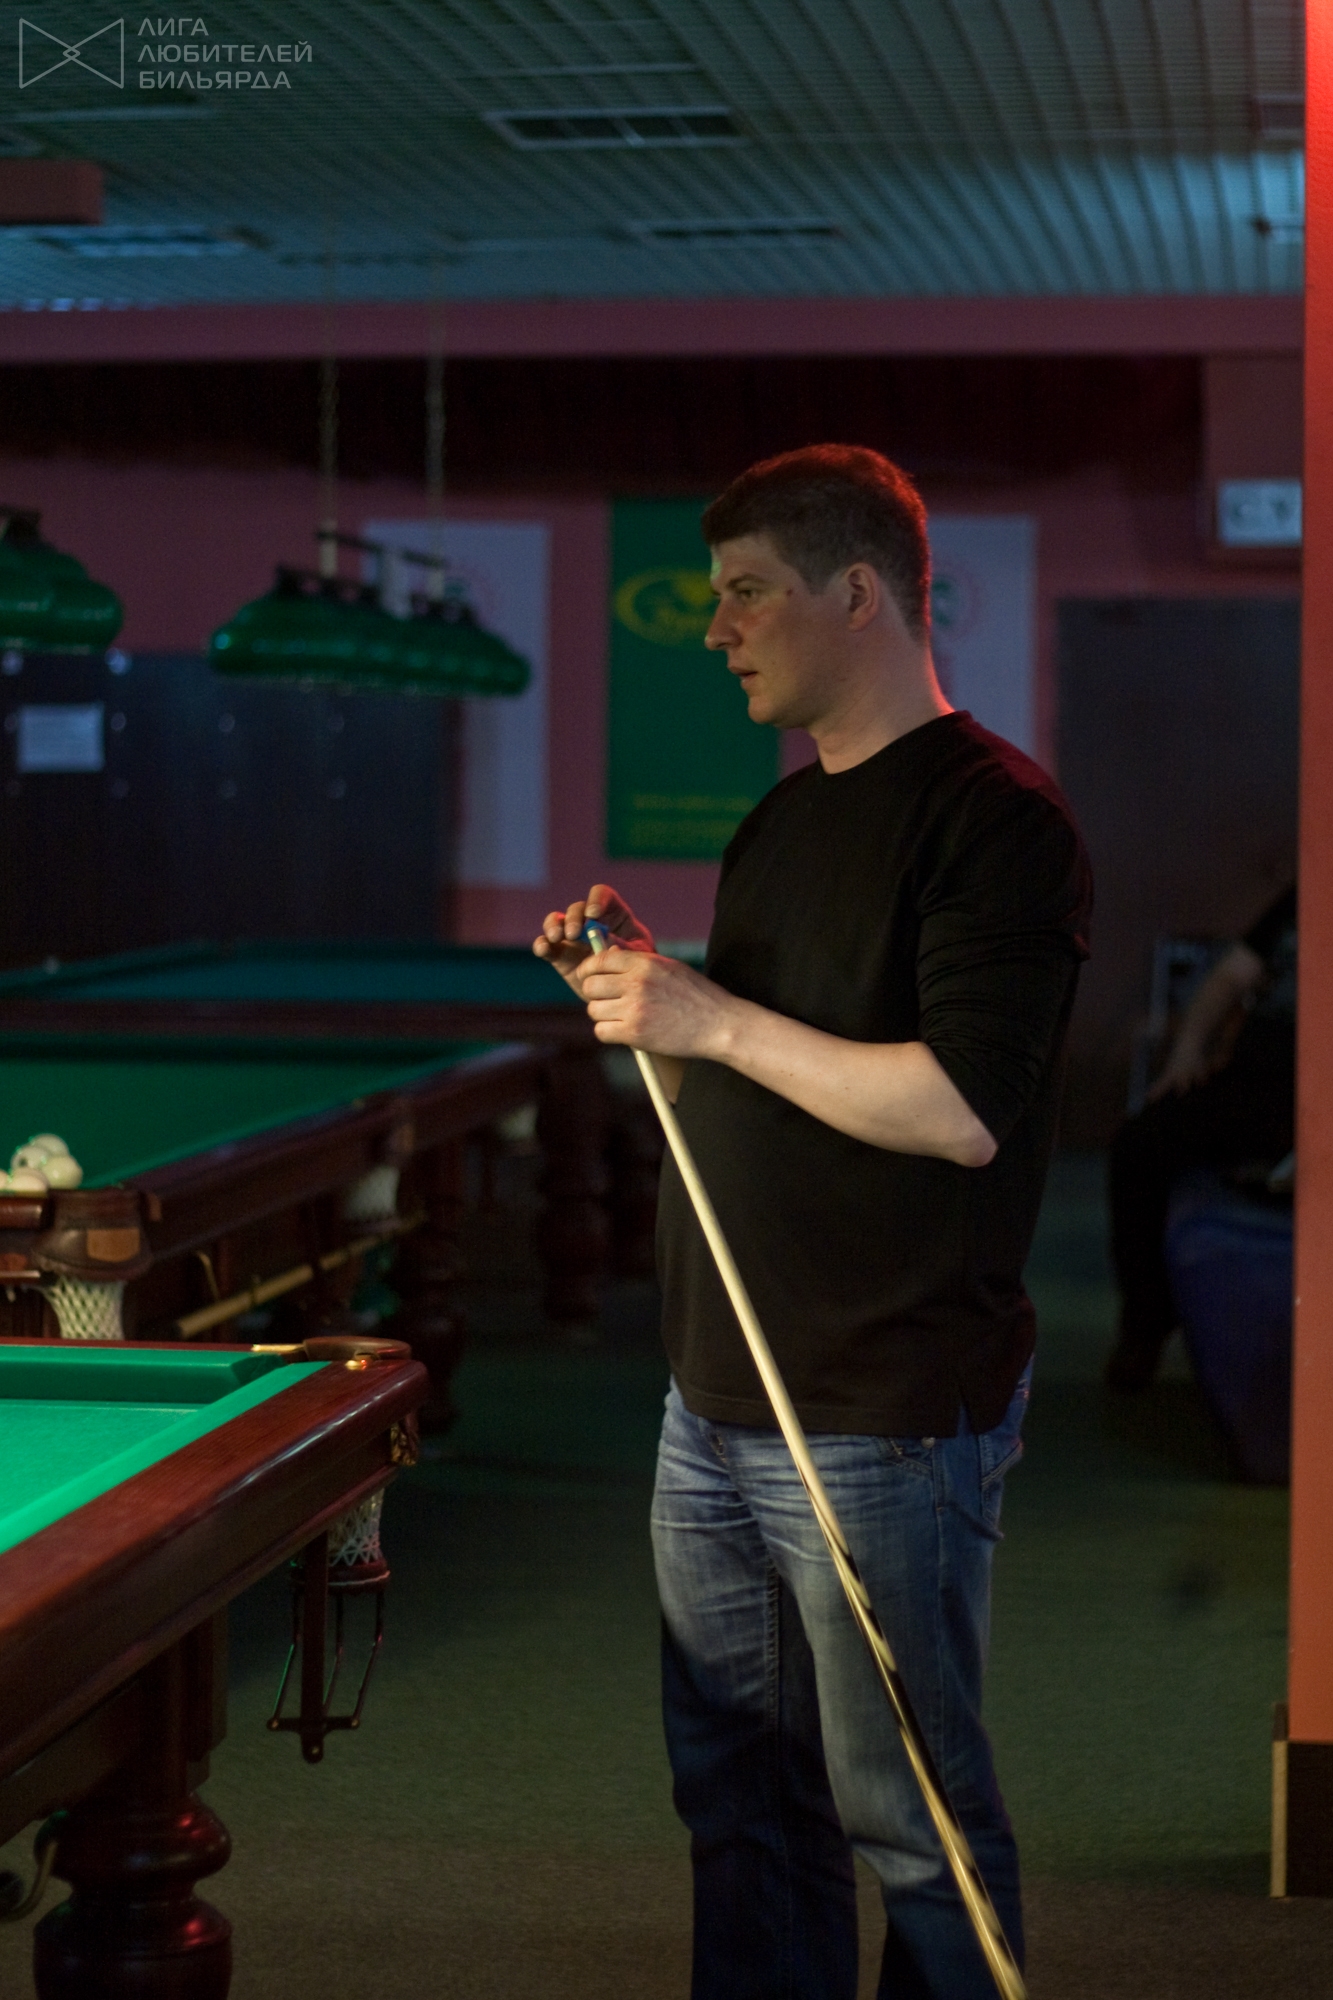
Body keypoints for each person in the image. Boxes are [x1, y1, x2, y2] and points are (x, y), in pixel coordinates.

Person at [534, 445, 1092, 2000]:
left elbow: (958, 1107)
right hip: (713, 1400)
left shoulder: (999, 821)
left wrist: (704, 1017)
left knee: (910, 1828)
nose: (716, 629)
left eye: (746, 592)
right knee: (740, 1810)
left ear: (858, 593)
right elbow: (762, 1066)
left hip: (879, 1408)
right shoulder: (779, 825)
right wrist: (645, 989)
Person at [1105, 883, 1296, 1391]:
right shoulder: (1301, 897)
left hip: (1311, 1102)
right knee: (1139, 1143)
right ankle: (1145, 1323)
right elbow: (1230, 976)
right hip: (1250, 1083)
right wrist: (1186, 1052)